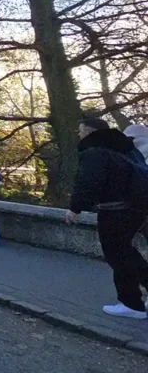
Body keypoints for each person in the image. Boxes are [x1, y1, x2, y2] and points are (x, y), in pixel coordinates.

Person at [65, 118, 148, 320]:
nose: (79, 134)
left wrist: (75, 208)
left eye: (81, 130)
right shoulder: (126, 148)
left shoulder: (95, 151)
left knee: (117, 255)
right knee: (125, 251)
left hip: (114, 210)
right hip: (135, 208)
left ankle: (131, 304)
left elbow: (88, 181)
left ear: (90, 132)